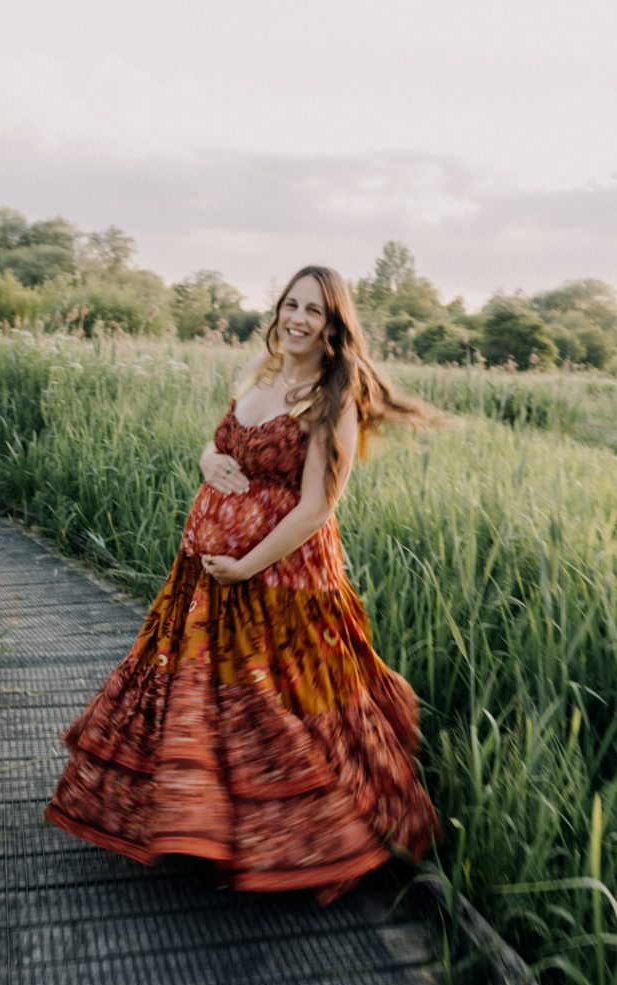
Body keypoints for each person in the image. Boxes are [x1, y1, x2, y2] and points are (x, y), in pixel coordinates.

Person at [44, 264, 450, 906]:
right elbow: (219, 442)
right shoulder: (259, 375)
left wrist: (247, 563)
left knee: (276, 706)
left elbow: (318, 506)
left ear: (334, 325)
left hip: (279, 580)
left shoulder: (331, 398)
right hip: (204, 578)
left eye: (313, 311)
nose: (297, 318)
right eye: (291, 304)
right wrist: (209, 460)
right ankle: (203, 824)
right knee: (203, 696)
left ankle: (289, 840)